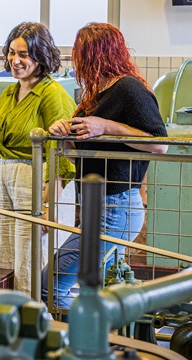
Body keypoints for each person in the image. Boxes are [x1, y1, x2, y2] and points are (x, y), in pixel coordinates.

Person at [47, 22, 168, 307]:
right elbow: (77, 154)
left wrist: (106, 126)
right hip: (96, 205)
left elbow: (159, 143)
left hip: (117, 208)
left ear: (98, 54)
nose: (77, 61)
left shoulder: (129, 89)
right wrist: (64, 133)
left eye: (81, 53)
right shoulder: (93, 96)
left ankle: (72, 346)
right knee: (94, 293)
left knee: (51, 284)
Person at [0, 22, 76, 296]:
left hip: (35, 179)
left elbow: (61, 153)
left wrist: (50, 204)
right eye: (12, 53)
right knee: (5, 256)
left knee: (29, 258)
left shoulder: (52, 94)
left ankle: (32, 318)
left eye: (24, 54)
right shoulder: (8, 93)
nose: (15, 60)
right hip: (5, 178)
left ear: (41, 56)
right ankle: (7, 314)